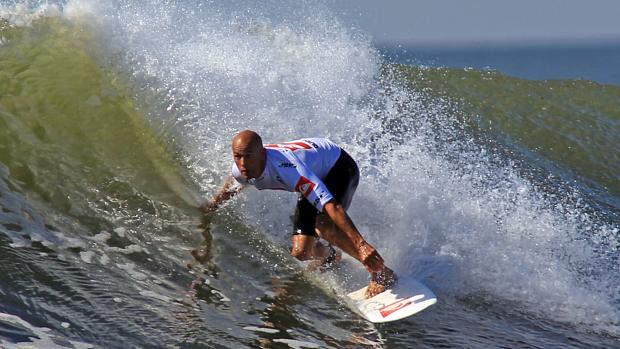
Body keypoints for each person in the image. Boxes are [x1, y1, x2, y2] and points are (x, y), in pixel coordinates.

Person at [201, 130, 396, 298]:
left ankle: (382, 273)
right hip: (315, 168)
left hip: (338, 166)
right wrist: (212, 206)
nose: (243, 164)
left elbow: (332, 206)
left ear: (262, 153)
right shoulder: (240, 170)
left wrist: (361, 244)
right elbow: (232, 186)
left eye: (248, 156)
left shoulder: (289, 170)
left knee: (324, 225)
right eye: (238, 156)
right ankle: (331, 256)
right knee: (301, 252)